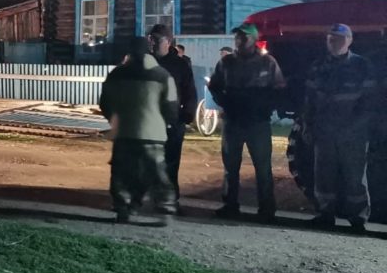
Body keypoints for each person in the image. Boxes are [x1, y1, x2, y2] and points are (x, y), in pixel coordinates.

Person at [302, 24, 377, 233]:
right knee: (323, 175)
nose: (335, 42)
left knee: (355, 177)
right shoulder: (318, 66)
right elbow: (309, 100)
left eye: (340, 38)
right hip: (325, 130)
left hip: (353, 133)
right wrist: (307, 125)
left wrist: (358, 126)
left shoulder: (362, 66)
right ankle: (325, 214)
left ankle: (358, 218)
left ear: (350, 41)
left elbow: (371, 101)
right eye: (331, 38)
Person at [208, 23, 286, 221]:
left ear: (254, 39)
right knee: (230, 167)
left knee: (263, 167)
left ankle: (267, 209)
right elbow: (214, 86)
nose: (239, 41)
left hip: (257, 122)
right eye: (237, 37)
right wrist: (225, 102)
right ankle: (230, 205)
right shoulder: (226, 62)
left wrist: (265, 107)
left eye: (244, 37)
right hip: (233, 121)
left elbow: (279, 88)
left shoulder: (267, 62)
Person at [99, 37, 179, 223]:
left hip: (124, 132)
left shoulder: (116, 74)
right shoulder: (163, 75)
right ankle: (165, 206)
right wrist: (166, 123)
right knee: (156, 172)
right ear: (149, 51)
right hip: (153, 134)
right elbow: (171, 105)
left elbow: (105, 102)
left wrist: (115, 120)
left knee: (122, 172)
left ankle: (124, 205)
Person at [148, 24, 197, 208]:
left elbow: (190, 91)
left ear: (168, 42)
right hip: (150, 119)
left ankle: (170, 197)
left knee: (171, 161)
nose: (152, 43)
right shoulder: (146, 62)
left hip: (172, 121)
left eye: (156, 40)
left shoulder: (180, 64)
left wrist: (187, 114)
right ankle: (155, 195)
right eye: (150, 39)